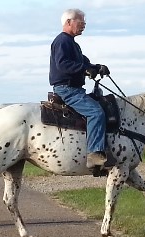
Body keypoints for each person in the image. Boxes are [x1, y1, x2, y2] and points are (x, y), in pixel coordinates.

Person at [49, 8, 110, 168]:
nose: (84, 25)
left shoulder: (72, 44)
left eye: (84, 22)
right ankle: (94, 154)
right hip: (67, 89)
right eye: (81, 21)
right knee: (96, 113)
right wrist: (84, 70)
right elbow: (62, 64)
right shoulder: (62, 41)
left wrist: (96, 67)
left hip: (74, 89)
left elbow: (83, 63)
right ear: (68, 22)